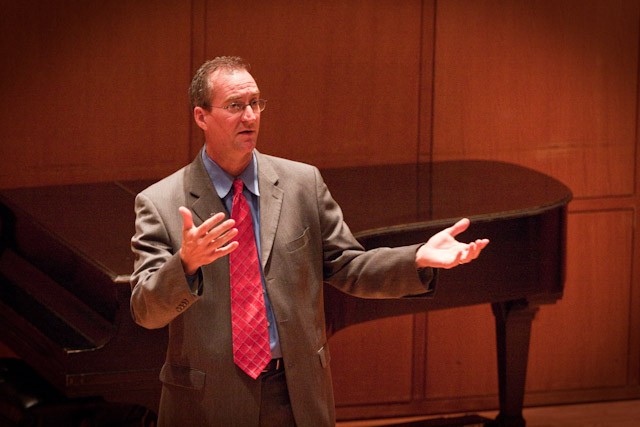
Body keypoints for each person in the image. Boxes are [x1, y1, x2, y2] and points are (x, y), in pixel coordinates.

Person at [130, 56, 489, 427]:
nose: (250, 116)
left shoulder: (302, 184)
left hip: (295, 391)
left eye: (255, 103)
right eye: (235, 106)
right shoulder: (160, 203)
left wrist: (416, 259)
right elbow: (145, 310)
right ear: (201, 117)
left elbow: (347, 265)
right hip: (207, 401)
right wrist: (185, 265)